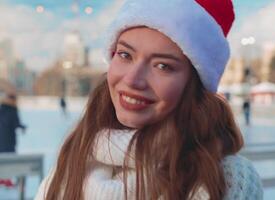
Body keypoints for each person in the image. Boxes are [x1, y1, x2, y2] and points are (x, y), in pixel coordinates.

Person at [35, 0, 263, 199]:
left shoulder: (228, 179)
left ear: (194, 85)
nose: (133, 80)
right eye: (125, 55)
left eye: (163, 66)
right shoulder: (74, 161)